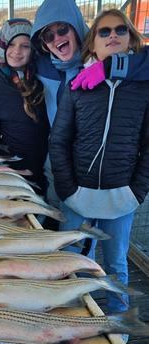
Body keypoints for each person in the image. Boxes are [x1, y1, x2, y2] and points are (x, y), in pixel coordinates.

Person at [49, 8, 149, 314]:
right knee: (67, 261)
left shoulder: (144, 88)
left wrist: (137, 192)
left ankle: (121, 330)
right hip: (78, 195)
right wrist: (68, 190)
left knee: (116, 264)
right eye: (104, 31)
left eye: (121, 30)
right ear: (92, 42)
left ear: (131, 38)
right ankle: (70, 320)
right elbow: (59, 140)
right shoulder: (78, 86)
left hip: (122, 196)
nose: (113, 36)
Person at [30, 0, 149, 224]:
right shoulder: (42, 65)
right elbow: (14, 56)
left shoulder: (103, 61)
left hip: (111, 180)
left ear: (76, 28)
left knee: (107, 248)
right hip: (62, 178)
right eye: (48, 36)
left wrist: (112, 66)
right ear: (44, 44)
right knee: (69, 242)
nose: (57, 38)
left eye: (63, 29)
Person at [0, 18, 50, 196]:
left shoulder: (43, 79)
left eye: (25, 46)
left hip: (49, 165)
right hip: (16, 169)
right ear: (3, 47)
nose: (17, 51)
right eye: (11, 45)